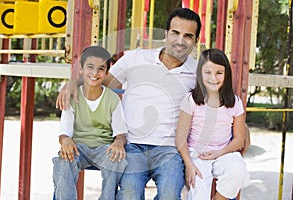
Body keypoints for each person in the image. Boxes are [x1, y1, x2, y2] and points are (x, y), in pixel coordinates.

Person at [56, 8, 250, 199]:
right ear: (166, 34)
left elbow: (220, 100)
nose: (180, 40)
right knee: (130, 194)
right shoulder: (135, 58)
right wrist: (74, 83)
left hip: (170, 149)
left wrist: (242, 127)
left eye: (188, 36)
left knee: (169, 195)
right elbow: (100, 83)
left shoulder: (198, 71)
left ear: (196, 41)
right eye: (175, 33)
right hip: (132, 145)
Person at [52, 46, 128, 200]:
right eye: (90, 67)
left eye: (101, 69)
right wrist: (65, 140)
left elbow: (121, 134)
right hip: (79, 148)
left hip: (104, 149)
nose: (94, 73)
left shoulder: (112, 100)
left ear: (106, 73)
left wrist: (119, 142)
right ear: (81, 69)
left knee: (117, 160)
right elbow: (64, 133)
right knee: (63, 160)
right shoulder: (72, 96)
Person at [175, 48, 250, 200]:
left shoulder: (234, 103)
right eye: (207, 72)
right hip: (196, 154)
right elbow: (180, 137)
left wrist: (219, 153)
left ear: (226, 74)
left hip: (223, 152)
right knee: (199, 191)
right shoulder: (191, 100)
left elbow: (239, 140)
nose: (213, 78)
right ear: (200, 74)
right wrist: (189, 164)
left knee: (238, 170)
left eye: (219, 73)